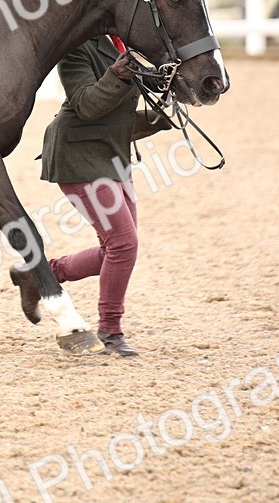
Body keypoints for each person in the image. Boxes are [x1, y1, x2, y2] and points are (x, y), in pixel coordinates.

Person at [12, 35, 170, 357]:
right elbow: (86, 105)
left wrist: (163, 100)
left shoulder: (122, 44)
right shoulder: (75, 46)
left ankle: (39, 274)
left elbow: (126, 104)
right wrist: (117, 74)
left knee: (117, 249)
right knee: (123, 245)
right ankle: (110, 331)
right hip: (78, 154)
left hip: (112, 155)